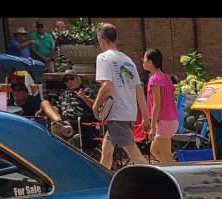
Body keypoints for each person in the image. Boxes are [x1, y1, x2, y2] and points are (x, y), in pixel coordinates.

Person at [93, 22, 148, 169]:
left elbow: (107, 86)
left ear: (101, 39)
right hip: (129, 113)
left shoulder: (103, 57)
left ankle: (158, 179)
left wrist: (95, 106)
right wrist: (145, 117)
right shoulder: (128, 60)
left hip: (117, 114)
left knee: (135, 155)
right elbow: (139, 91)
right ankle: (103, 178)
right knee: (107, 149)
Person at [142, 48, 178, 164]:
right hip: (171, 120)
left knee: (167, 156)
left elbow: (157, 104)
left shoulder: (154, 79)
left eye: (144, 59)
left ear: (150, 62)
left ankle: (173, 172)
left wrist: (152, 127)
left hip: (164, 122)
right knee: (154, 150)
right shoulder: (166, 77)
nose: (143, 61)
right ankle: (168, 170)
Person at [55, 69, 98, 149]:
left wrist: (84, 97)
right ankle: (63, 127)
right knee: (45, 104)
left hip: (80, 120)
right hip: (63, 120)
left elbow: (94, 107)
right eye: (66, 80)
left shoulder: (86, 91)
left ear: (79, 80)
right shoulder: (64, 94)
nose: (69, 81)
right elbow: (57, 107)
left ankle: (61, 146)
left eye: (72, 78)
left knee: (57, 127)